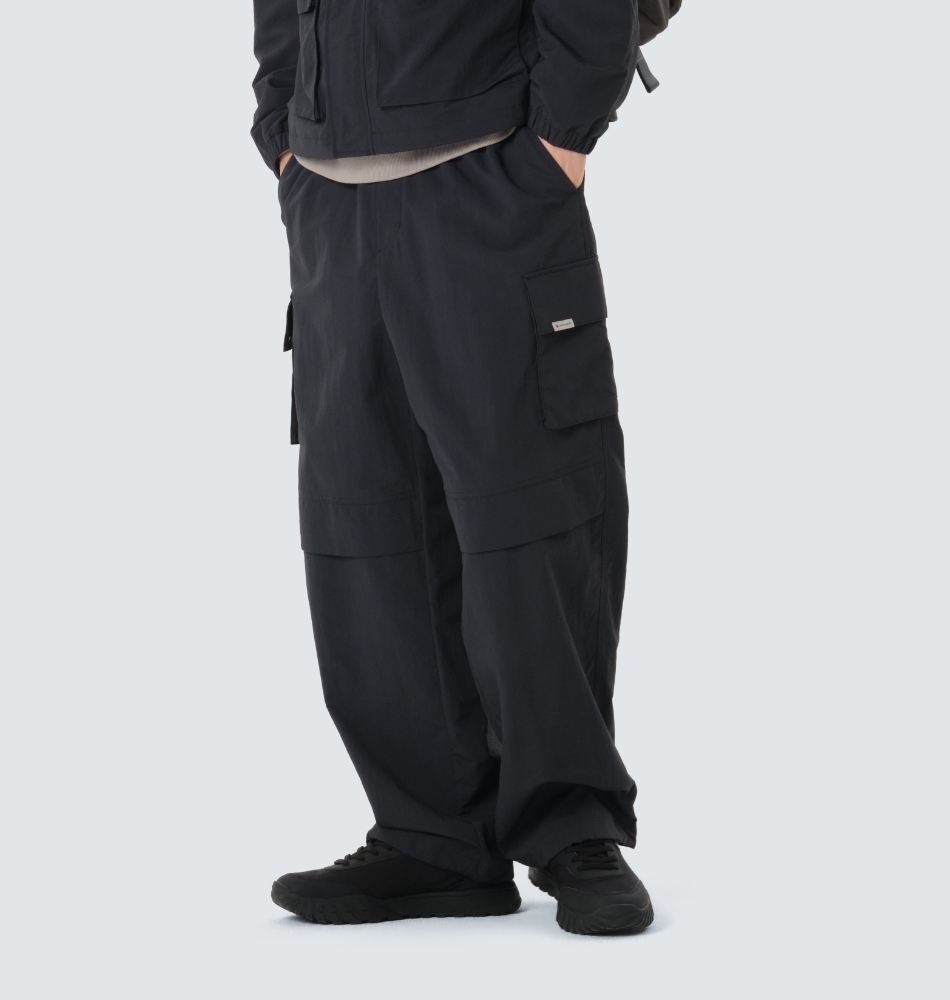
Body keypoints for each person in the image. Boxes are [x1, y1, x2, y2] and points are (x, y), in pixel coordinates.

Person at [251, 0, 678, 936]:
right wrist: (280, 129)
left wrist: (560, 140)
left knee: (532, 508)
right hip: (329, 198)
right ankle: (434, 837)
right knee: (366, 522)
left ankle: (572, 826)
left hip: (488, 178)